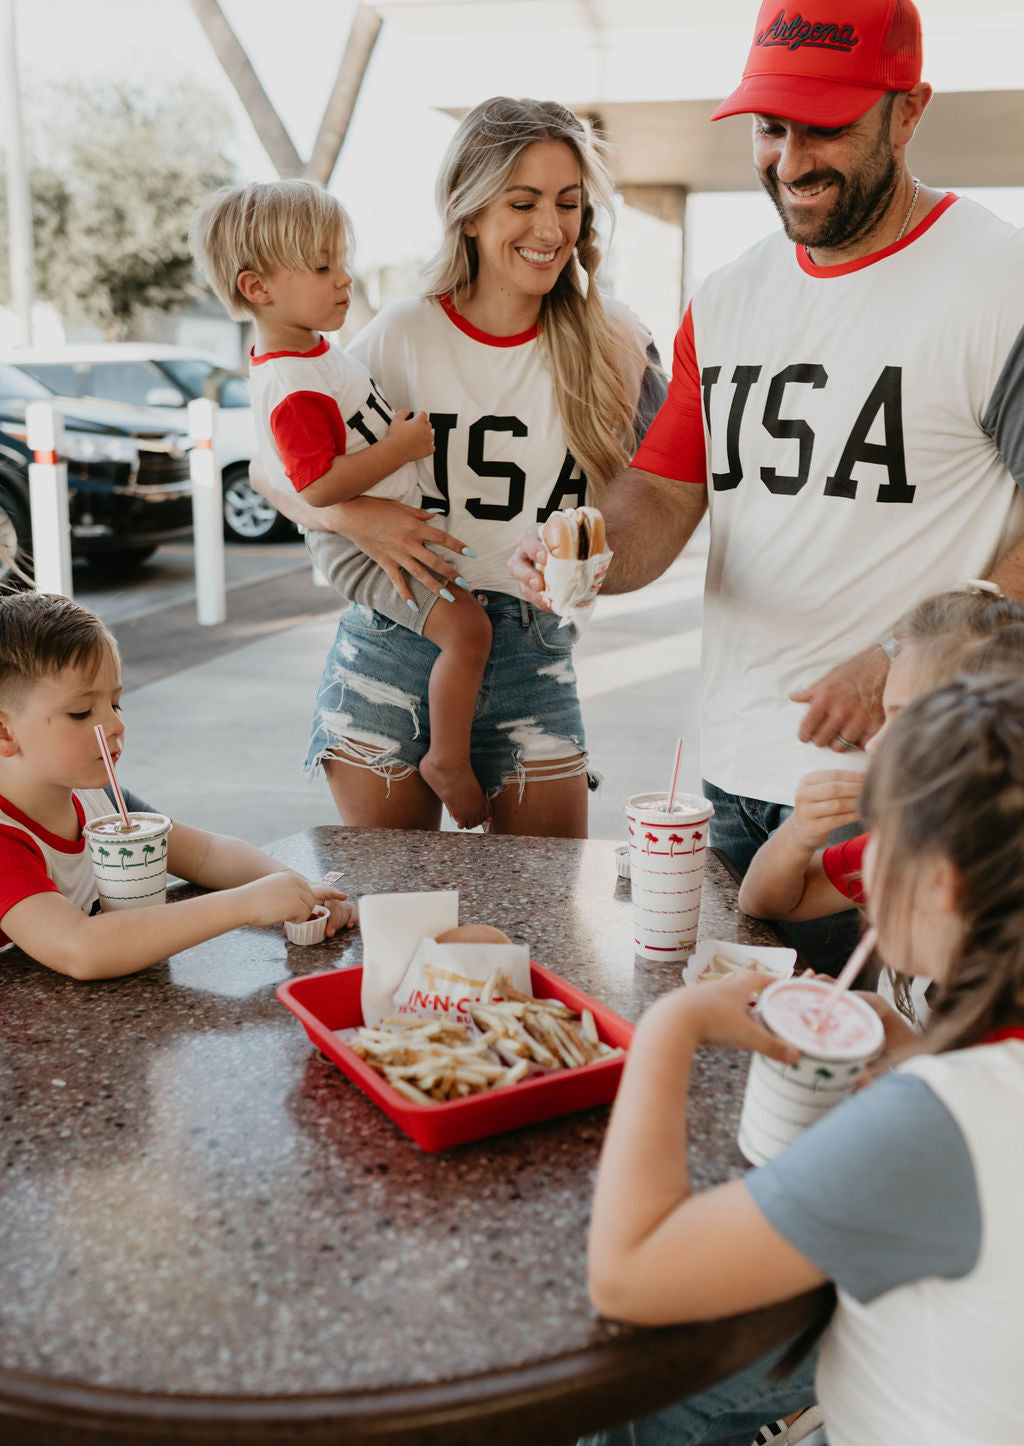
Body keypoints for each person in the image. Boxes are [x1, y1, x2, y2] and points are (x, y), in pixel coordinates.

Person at [512, 0, 1024, 965]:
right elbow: (665, 492)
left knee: (863, 1077)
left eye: (825, 127)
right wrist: (586, 547)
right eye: (770, 127)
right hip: (733, 786)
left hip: (897, 795)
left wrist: (900, 655)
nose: (790, 162)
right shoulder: (734, 291)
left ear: (908, 112)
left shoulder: (1001, 281)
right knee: (732, 1078)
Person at [587, 671, 1024, 1446]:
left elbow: (628, 1274)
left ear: (938, 883)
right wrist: (909, 1045)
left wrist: (672, 1027)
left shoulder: (938, 1121)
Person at [258, 97, 665, 838]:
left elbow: (663, 497)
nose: (551, 228)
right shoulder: (401, 334)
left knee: (542, 917)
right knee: (400, 922)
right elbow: (274, 472)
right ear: (469, 211)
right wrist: (354, 514)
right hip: (395, 639)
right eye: (523, 202)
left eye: (569, 204)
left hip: (531, 649)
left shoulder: (615, 342)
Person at [190, 179, 495, 831]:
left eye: (342, 261)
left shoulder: (315, 355)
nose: (344, 278)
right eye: (323, 266)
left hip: (379, 529)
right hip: (358, 548)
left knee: (464, 627)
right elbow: (319, 486)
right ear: (257, 288)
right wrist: (400, 445)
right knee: (467, 630)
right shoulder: (292, 384)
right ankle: (448, 761)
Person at [0, 592, 355, 978]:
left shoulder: (97, 799)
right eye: (82, 712)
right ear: (5, 730)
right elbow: (81, 948)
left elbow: (205, 853)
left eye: (115, 704)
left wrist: (300, 890)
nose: (115, 725)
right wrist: (246, 904)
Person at [739, 587, 1024, 924]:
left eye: (905, 719)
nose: (874, 745)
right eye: (886, 715)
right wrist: (800, 834)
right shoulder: (911, 843)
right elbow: (764, 903)